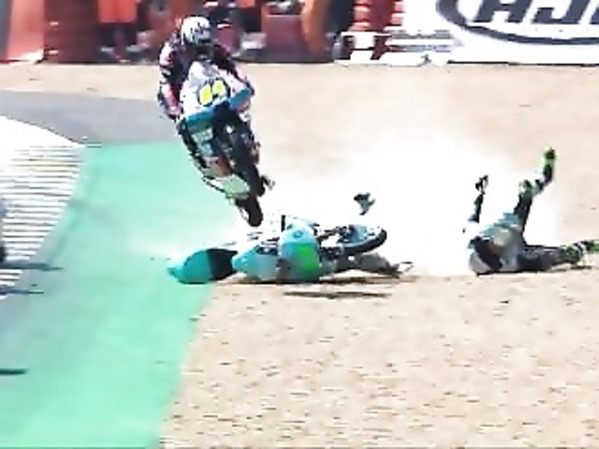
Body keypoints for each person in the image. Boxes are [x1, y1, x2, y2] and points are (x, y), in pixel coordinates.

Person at [464, 148, 598, 275]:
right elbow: (535, 260)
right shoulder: (509, 263)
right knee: (556, 256)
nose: (495, 245)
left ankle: (542, 179)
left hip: (505, 230)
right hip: (515, 250)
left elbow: (472, 217)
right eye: (496, 248)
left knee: (519, 211)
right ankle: (583, 248)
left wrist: (479, 194)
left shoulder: (477, 235)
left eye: (490, 243)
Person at [156, 15, 260, 178]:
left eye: (205, 46)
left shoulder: (214, 46)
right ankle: (198, 154)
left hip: (211, 82)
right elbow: (166, 84)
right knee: (180, 122)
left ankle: (249, 138)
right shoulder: (170, 54)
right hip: (184, 87)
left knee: (239, 99)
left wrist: (244, 82)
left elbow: (231, 65)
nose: (202, 52)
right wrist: (175, 110)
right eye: (197, 48)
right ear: (185, 42)